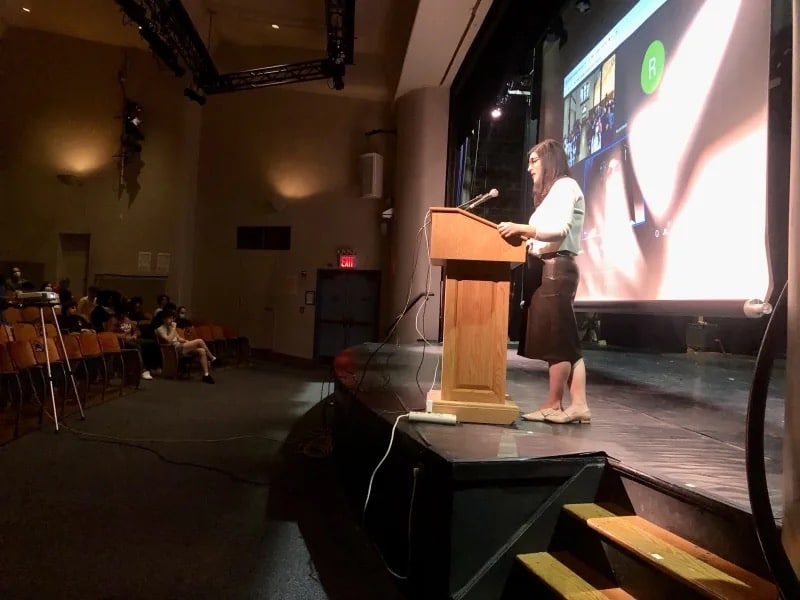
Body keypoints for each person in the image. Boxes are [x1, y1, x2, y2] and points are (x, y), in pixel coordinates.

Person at [497, 139, 590, 424]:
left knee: (561, 342)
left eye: (534, 161)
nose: (529, 168)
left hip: (557, 268)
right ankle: (574, 405)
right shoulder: (554, 193)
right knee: (560, 341)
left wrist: (522, 229)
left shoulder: (564, 186)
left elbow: (559, 230)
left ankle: (559, 404)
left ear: (549, 160)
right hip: (549, 268)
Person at [155, 309, 216, 384]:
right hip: (173, 350)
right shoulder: (160, 329)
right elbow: (169, 340)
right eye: (169, 318)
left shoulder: (171, 327)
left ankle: (206, 375)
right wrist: (174, 328)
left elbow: (178, 338)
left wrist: (185, 341)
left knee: (201, 351)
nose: (171, 320)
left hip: (180, 346)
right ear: (163, 319)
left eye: (172, 318)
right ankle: (212, 358)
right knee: (200, 341)